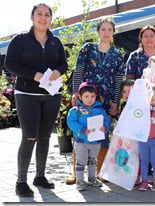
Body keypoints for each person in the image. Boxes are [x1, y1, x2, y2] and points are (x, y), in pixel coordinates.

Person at [4, 3, 68, 197]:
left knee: (45, 137)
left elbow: (63, 64)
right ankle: (20, 181)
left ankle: (40, 176)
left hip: (51, 95)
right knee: (29, 136)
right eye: (39, 14)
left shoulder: (55, 42)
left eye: (47, 15)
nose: (43, 18)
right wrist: (34, 75)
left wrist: (58, 70)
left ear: (51, 19)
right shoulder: (21, 39)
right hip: (26, 95)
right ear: (32, 17)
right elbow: (10, 64)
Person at [69, 18, 125, 183]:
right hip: (86, 98)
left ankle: (101, 171)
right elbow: (78, 71)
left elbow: (118, 80)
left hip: (106, 101)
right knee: (80, 132)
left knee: (101, 134)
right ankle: (75, 172)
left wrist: (115, 101)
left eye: (109, 29)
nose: (106, 32)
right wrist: (74, 93)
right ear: (98, 31)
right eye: (103, 29)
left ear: (113, 32)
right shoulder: (88, 49)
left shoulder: (117, 54)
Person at [67, 82, 110, 191]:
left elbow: (106, 120)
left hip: (95, 141)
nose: (90, 99)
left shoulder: (100, 110)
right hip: (81, 141)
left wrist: (104, 127)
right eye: (86, 96)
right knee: (81, 161)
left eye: (92, 96)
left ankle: (92, 178)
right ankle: (80, 180)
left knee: (92, 160)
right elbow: (71, 122)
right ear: (80, 97)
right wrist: (82, 129)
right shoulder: (76, 110)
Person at [138, 84, 155, 191]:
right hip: (143, 139)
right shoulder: (144, 109)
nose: (153, 102)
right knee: (144, 161)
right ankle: (144, 181)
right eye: (151, 99)